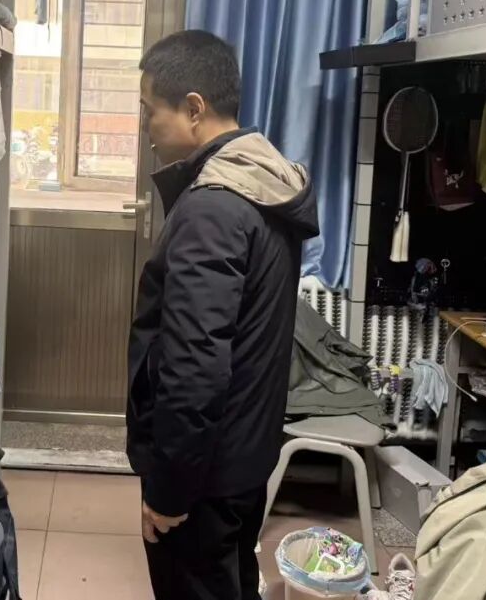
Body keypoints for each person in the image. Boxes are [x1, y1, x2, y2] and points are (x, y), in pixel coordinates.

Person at [127, 30, 320, 599]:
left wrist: (169, 490)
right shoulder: (261, 183)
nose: (145, 126)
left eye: (149, 110)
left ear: (194, 109)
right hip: (243, 457)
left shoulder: (213, 208)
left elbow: (194, 366)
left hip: (203, 476)